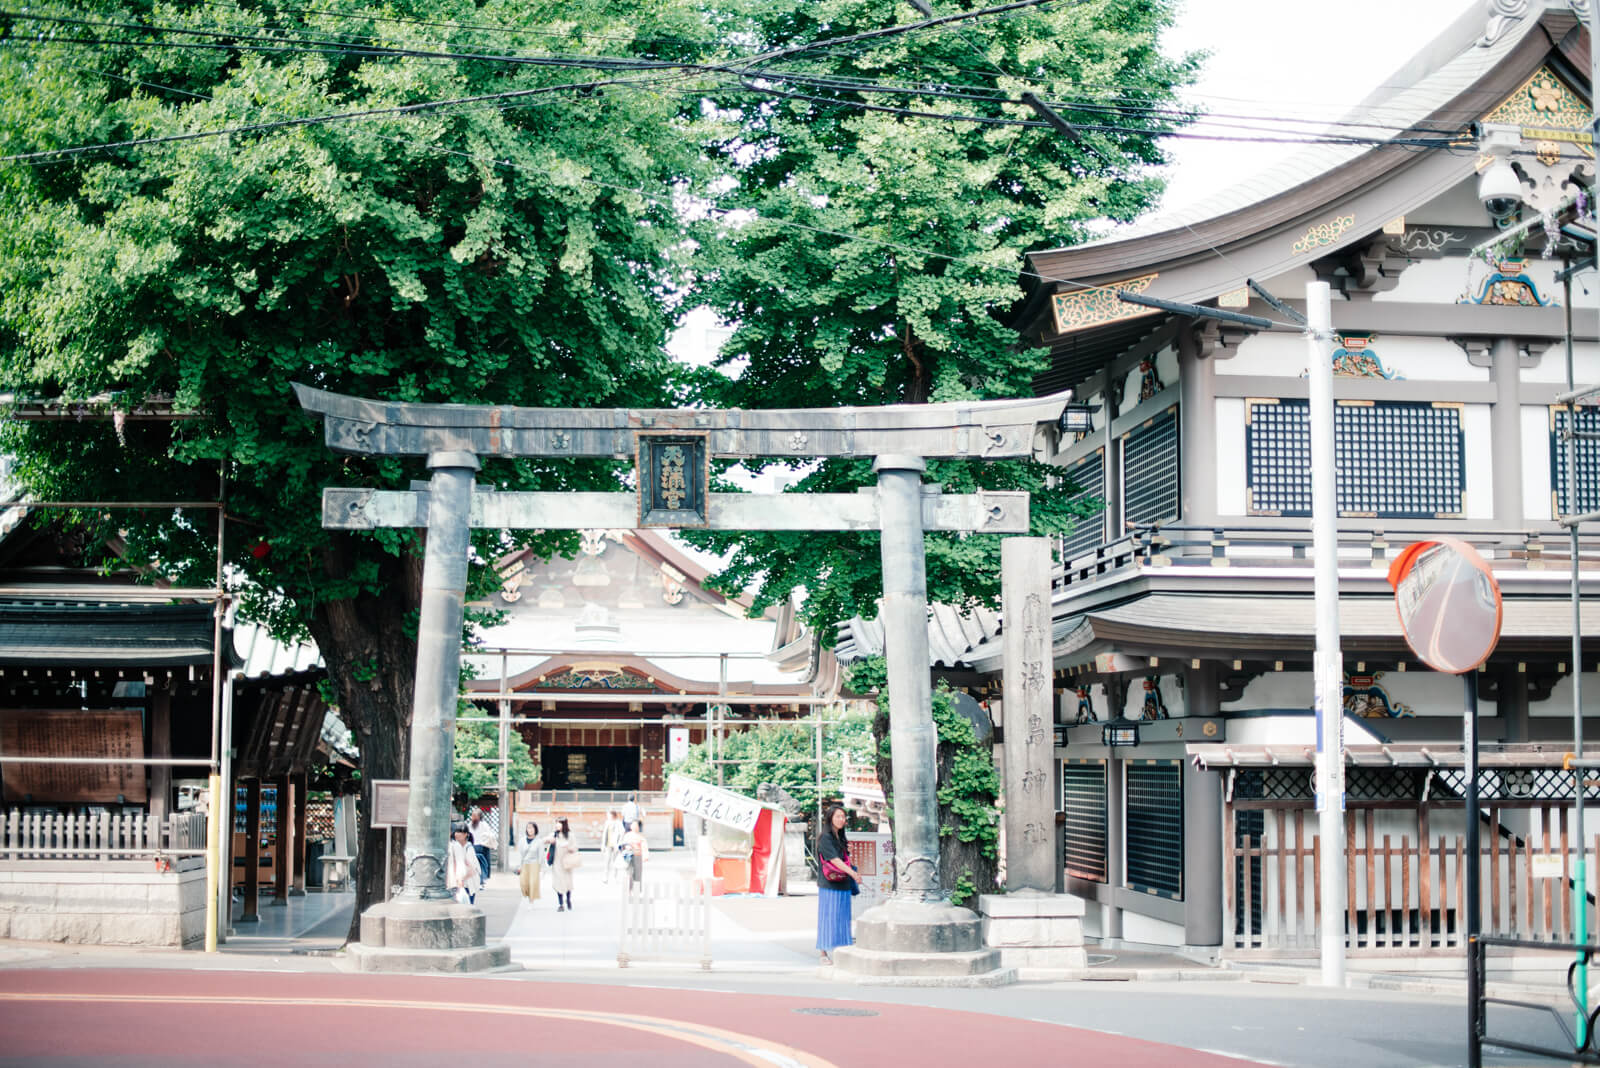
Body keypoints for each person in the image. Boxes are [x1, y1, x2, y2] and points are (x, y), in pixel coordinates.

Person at [815, 805, 861, 965]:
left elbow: (843, 858)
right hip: (829, 884)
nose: (841, 820)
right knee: (828, 917)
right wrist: (853, 873)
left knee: (842, 917)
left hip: (843, 883)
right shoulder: (826, 837)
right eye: (838, 817)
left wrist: (848, 852)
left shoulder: (840, 836)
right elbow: (834, 860)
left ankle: (841, 948)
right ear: (830, 818)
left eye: (843, 817)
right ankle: (823, 953)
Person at [546, 818, 578, 912]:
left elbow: (575, 847)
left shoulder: (570, 835)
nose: (557, 825)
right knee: (558, 882)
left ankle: (568, 899)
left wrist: (568, 847)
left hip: (567, 862)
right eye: (556, 823)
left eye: (559, 823)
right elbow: (546, 841)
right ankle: (560, 904)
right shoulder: (554, 835)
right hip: (557, 862)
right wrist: (549, 841)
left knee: (568, 882)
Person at [447, 822, 480, 905]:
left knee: (468, 906)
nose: (457, 834)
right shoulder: (456, 845)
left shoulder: (468, 848)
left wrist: (460, 879)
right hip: (462, 882)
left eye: (459, 832)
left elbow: (471, 868)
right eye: (456, 832)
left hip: (468, 883)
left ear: (466, 834)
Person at [516, 821, 543, 903]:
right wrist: (519, 866)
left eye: (532, 828)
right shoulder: (522, 840)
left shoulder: (539, 841)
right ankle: (528, 895)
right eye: (528, 828)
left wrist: (541, 868)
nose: (530, 830)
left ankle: (531, 900)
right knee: (523, 883)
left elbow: (541, 856)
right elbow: (519, 854)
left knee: (532, 883)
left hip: (534, 864)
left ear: (535, 829)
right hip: (524, 864)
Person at [619, 819, 649, 890]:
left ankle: (637, 890)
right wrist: (626, 847)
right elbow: (622, 844)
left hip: (637, 856)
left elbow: (644, 847)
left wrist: (645, 856)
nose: (633, 826)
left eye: (635, 825)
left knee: (637, 874)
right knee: (628, 873)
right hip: (628, 857)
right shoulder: (627, 835)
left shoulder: (641, 837)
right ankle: (628, 889)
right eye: (632, 824)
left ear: (639, 827)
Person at [468, 809, 495, 887]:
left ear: (480, 817)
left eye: (476, 816)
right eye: (473, 816)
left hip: (483, 847)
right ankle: (476, 881)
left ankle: (481, 880)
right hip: (472, 847)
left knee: (482, 864)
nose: (474, 818)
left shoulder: (484, 825)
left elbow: (489, 835)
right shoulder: (469, 825)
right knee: (474, 864)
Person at [600, 809, 625, 884]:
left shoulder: (618, 823)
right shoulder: (607, 822)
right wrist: (603, 844)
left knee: (615, 862)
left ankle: (615, 877)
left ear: (613, 816)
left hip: (615, 846)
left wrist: (619, 844)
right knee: (607, 861)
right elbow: (605, 834)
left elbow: (622, 833)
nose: (608, 817)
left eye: (609, 815)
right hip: (608, 844)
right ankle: (605, 877)